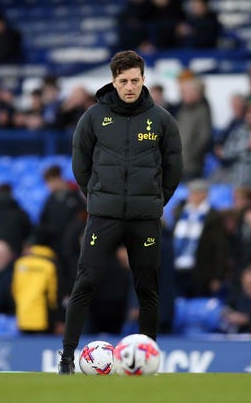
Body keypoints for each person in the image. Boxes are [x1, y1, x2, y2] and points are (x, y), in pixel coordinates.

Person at [58, 50, 182, 374]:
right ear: (113, 81)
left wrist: (156, 201)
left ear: (144, 80)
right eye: (124, 81)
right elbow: (79, 164)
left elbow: (174, 169)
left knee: (147, 290)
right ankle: (67, 358)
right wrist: (98, 197)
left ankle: (147, 361)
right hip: (104, 216)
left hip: (144, 219)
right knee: (85, 283)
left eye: (135, 81)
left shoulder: (162, 120)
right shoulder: (94, 117)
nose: (130, 87)